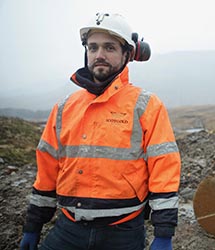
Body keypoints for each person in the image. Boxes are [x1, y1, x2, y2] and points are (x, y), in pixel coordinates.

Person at [20, 12, 181, 250]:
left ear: (127, 54)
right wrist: (32, 225)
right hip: (68, 230)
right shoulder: (64, 108)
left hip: (123, 234)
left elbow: (164, 169)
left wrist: (164, 233)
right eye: (92, 47)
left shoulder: (146, 105)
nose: (99, 55)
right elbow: (47, 171)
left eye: (109, 47)